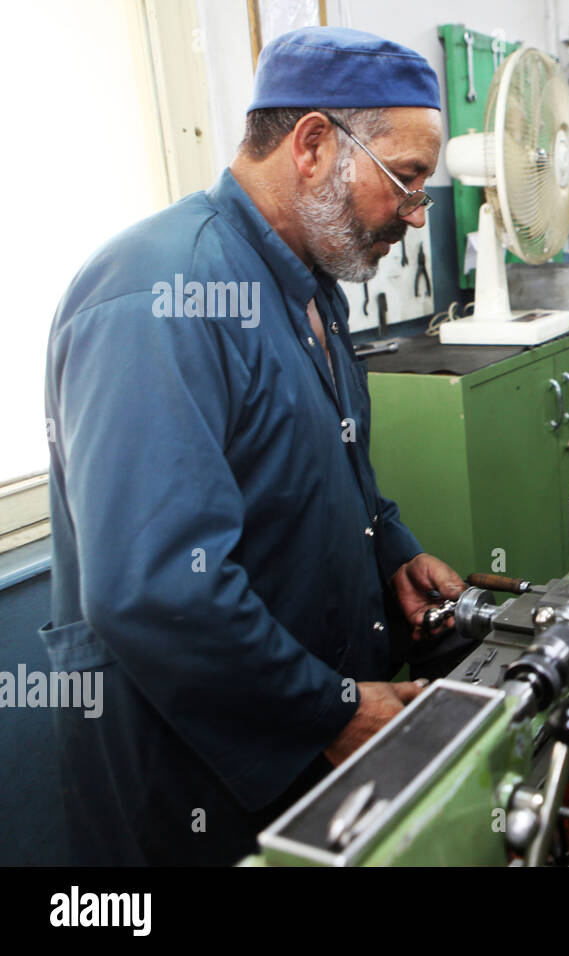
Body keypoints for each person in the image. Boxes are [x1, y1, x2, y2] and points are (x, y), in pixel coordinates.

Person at [41, 27, 468, 865]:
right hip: (192, 776)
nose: (418, 214)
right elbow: (155, 589)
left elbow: (326, 471)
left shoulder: (312, 289)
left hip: (297, 742)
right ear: (313, 145)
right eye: (406, 179)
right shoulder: (158, 294)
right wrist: (334, 711)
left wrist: (392, 549)